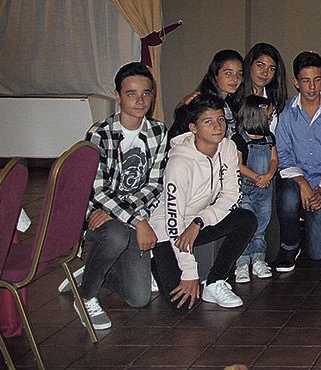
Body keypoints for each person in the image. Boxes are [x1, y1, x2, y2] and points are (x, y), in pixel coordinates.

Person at [66, 62, 169, 331]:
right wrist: (138, 222)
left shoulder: (159, 131)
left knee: (139, 298)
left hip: (126, 212)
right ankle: (86, 296)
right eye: (131, 93)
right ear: (117, 96)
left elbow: (155, 185)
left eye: (146, 93)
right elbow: (97, 191)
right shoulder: (99, 133)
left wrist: (131, 217)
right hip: (100, 216)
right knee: (116, 235)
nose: (140, 100)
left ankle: (91, 271)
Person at [149, 94, 256, 311]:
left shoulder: (227, 148)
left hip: (195, 224)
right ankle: (150, 263)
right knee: (181, 306)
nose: (218, 127)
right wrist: (189, 272)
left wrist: (198, 222)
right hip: (168, 229)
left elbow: (231, 197)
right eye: (208, 121)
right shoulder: (179, 163)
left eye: (221, 120)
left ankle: (215, 282)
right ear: (193, 127)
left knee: (245, 219)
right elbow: (173, 220)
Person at [275, 51, 321, 271]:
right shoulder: (286, 112)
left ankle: (305, 217)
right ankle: (290, 244)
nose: (312, 87)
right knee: (288, 196)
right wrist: (303, 184)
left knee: (317, 254)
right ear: (296, 82)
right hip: (295, 182)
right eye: (306, 81)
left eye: (317, 80)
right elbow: (284, 153)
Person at [232, 95, 277, 284]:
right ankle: (242, 263)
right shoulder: (239, 139)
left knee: (261, 225)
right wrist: (256, 177)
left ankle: (259, 259)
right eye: (268, 116)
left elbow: (274, 159)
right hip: (246, 189)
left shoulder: (269, 138)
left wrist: (268, 175)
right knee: (246, 226)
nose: (271, 119)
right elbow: (238, 164)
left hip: (265, 189)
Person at [171, 49, 244, 140]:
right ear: (215, 74)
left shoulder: (232, 102)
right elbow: (177, 137)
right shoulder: (199, 102)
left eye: (239, 74)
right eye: (228, 73)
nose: (235, 79)